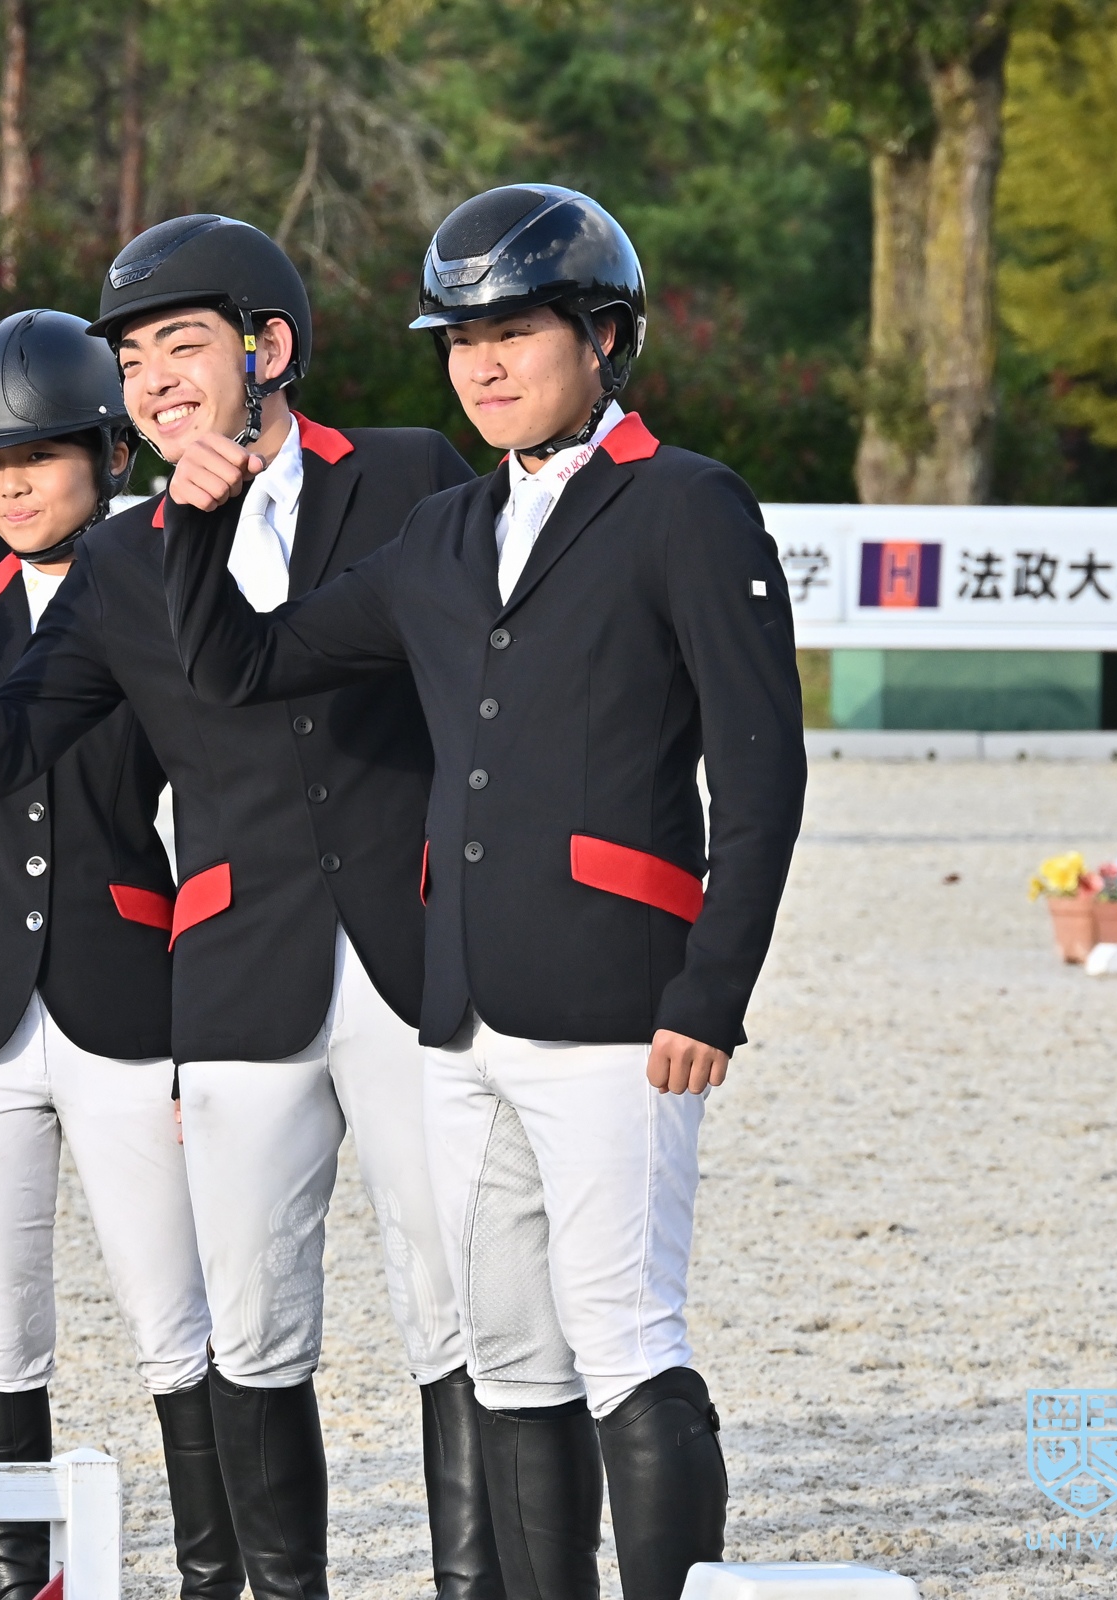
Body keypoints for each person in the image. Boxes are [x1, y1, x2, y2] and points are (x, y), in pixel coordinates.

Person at [158, 185, 804, 1600]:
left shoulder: (689, 505)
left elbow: (762, 772)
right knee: (508, 1351)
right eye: (460, 341)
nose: (482, 365)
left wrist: (714, 988)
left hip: (623, 998)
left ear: (606, 335)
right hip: (456, 1014)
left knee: (626, 1333)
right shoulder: (446, 534)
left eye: (513, 333)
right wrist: (196, 526)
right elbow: (244, 666)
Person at [0, 215, 498, 1600]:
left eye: (181, 347)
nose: (152, 381)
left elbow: (496, 678)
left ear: (269, 349)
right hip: (237, 969)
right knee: (254, 1328)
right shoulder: (121, 562)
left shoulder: (406, 475)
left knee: (453, 1305)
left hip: (412, 947)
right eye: (134, 359)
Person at [0, 309, 237, 1600]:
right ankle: (16, 1582)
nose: (12, 485)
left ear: (108, 457)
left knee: (177, 1319)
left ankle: (213, 1576)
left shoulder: (159, 590)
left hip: (125, 984)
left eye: (41, 456)